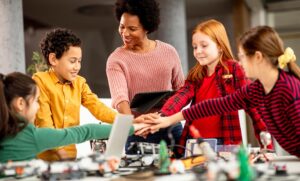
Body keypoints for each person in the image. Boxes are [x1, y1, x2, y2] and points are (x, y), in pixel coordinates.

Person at [140, 26, 300, 157]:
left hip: (225, 144)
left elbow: (257, 116)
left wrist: (268, 149)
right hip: (195, 144)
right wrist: (166, 118)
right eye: (195, 47)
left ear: (257, 57)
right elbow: (213, 105)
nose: (241, 61)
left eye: (243, 56)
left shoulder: (287, 88)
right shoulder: (258, 89)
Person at [0, 72, 135, 163]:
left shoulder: (79, 83)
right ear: (21, 103)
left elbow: (97, 107)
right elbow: (86, 131)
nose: (38, 106)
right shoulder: (31, 137)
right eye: (36, 101)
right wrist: (131, 127)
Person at [106, 0, 185, 153]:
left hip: (170, 128)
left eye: (132, 28)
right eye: (122, 26)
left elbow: (182, 91)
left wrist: (163, 117)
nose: (125, 33)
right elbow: (120, 99)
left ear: (147, 28)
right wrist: (134, 125)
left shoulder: (169, 52)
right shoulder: (116, 60)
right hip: (138, 132)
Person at [32, 28, 122, 161]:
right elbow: (44, 122)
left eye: (79, 61)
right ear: (53, 59)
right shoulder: (40, 81)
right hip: (45, 159)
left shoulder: (80, 83)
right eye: (72, 61)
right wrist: (61, 152)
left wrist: (126, 121)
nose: (77, 67)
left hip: (70, 157)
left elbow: (98, 108)